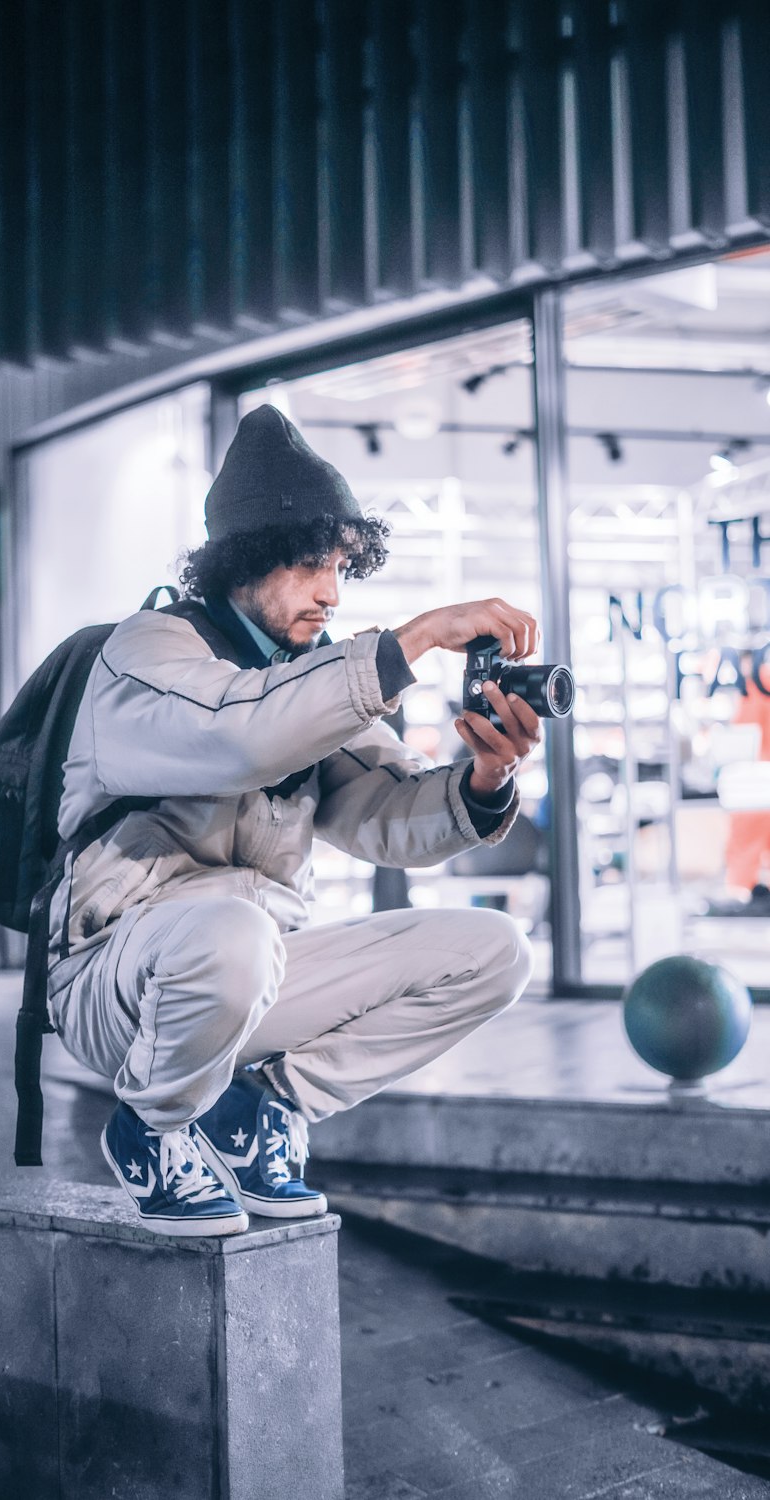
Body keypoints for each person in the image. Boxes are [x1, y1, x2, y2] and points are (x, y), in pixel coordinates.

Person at [48, 405, 541, 1236]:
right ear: (243, 559)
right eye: (312, 564)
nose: (332, 592)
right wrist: (415, 638)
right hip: (115, 983)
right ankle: (153, 1126)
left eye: (342, 566)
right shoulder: (147, 653)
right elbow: (241, 734)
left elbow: (390, 814)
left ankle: (260, 1108)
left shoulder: (308, 678)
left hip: (248, 977)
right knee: (231, 933)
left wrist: (487, 777)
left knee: (495, 954)